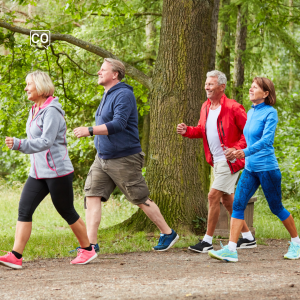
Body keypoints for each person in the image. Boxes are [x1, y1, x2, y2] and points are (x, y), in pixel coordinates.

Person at [73, 58, 179, 251]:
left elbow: (118, 124)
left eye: (103, 69)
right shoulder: (107, 94)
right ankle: (90, 246)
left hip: (124, 157)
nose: (98, 72)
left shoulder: (123, 94)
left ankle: (168, 233)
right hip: (102, 157)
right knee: (92, 195)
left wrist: (90, 130)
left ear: (115, 74)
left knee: (139, 198)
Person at [0, 71, 97, 270]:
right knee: (24, 210)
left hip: (57, 171)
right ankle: (16, 256)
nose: (26, 88)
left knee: (66, 211)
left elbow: (46, 141)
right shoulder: (35, 109)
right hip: (37, 172)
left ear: (41, 86)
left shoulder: (52, 110)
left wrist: (19, 144)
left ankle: (87, 249)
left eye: (29, 84)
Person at [209, 77, 300, 262]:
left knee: (276, 207)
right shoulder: (250, 113)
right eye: (251, 86)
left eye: (255, 87)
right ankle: (231, 250)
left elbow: (266, 141)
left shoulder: (270, 113)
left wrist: (244, 152)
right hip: (250, 169)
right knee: (238, 204)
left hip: (267, 169)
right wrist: (236, 150)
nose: (251, 89)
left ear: (266, 94)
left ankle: (297, 243)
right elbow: (246, 139)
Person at [177, 70, 255, 253]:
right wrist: (187, 130)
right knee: (228, 201)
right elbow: (201, 130)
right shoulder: (205, 106)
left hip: (230, 162)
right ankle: (248, 238)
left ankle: (207, 241)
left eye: (211, 84)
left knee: (212, 196)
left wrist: (236, 150)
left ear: (222, 87)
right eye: (206, 84)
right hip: (216, 162)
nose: (207, 87)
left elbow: (249, 133)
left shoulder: (234, 107)